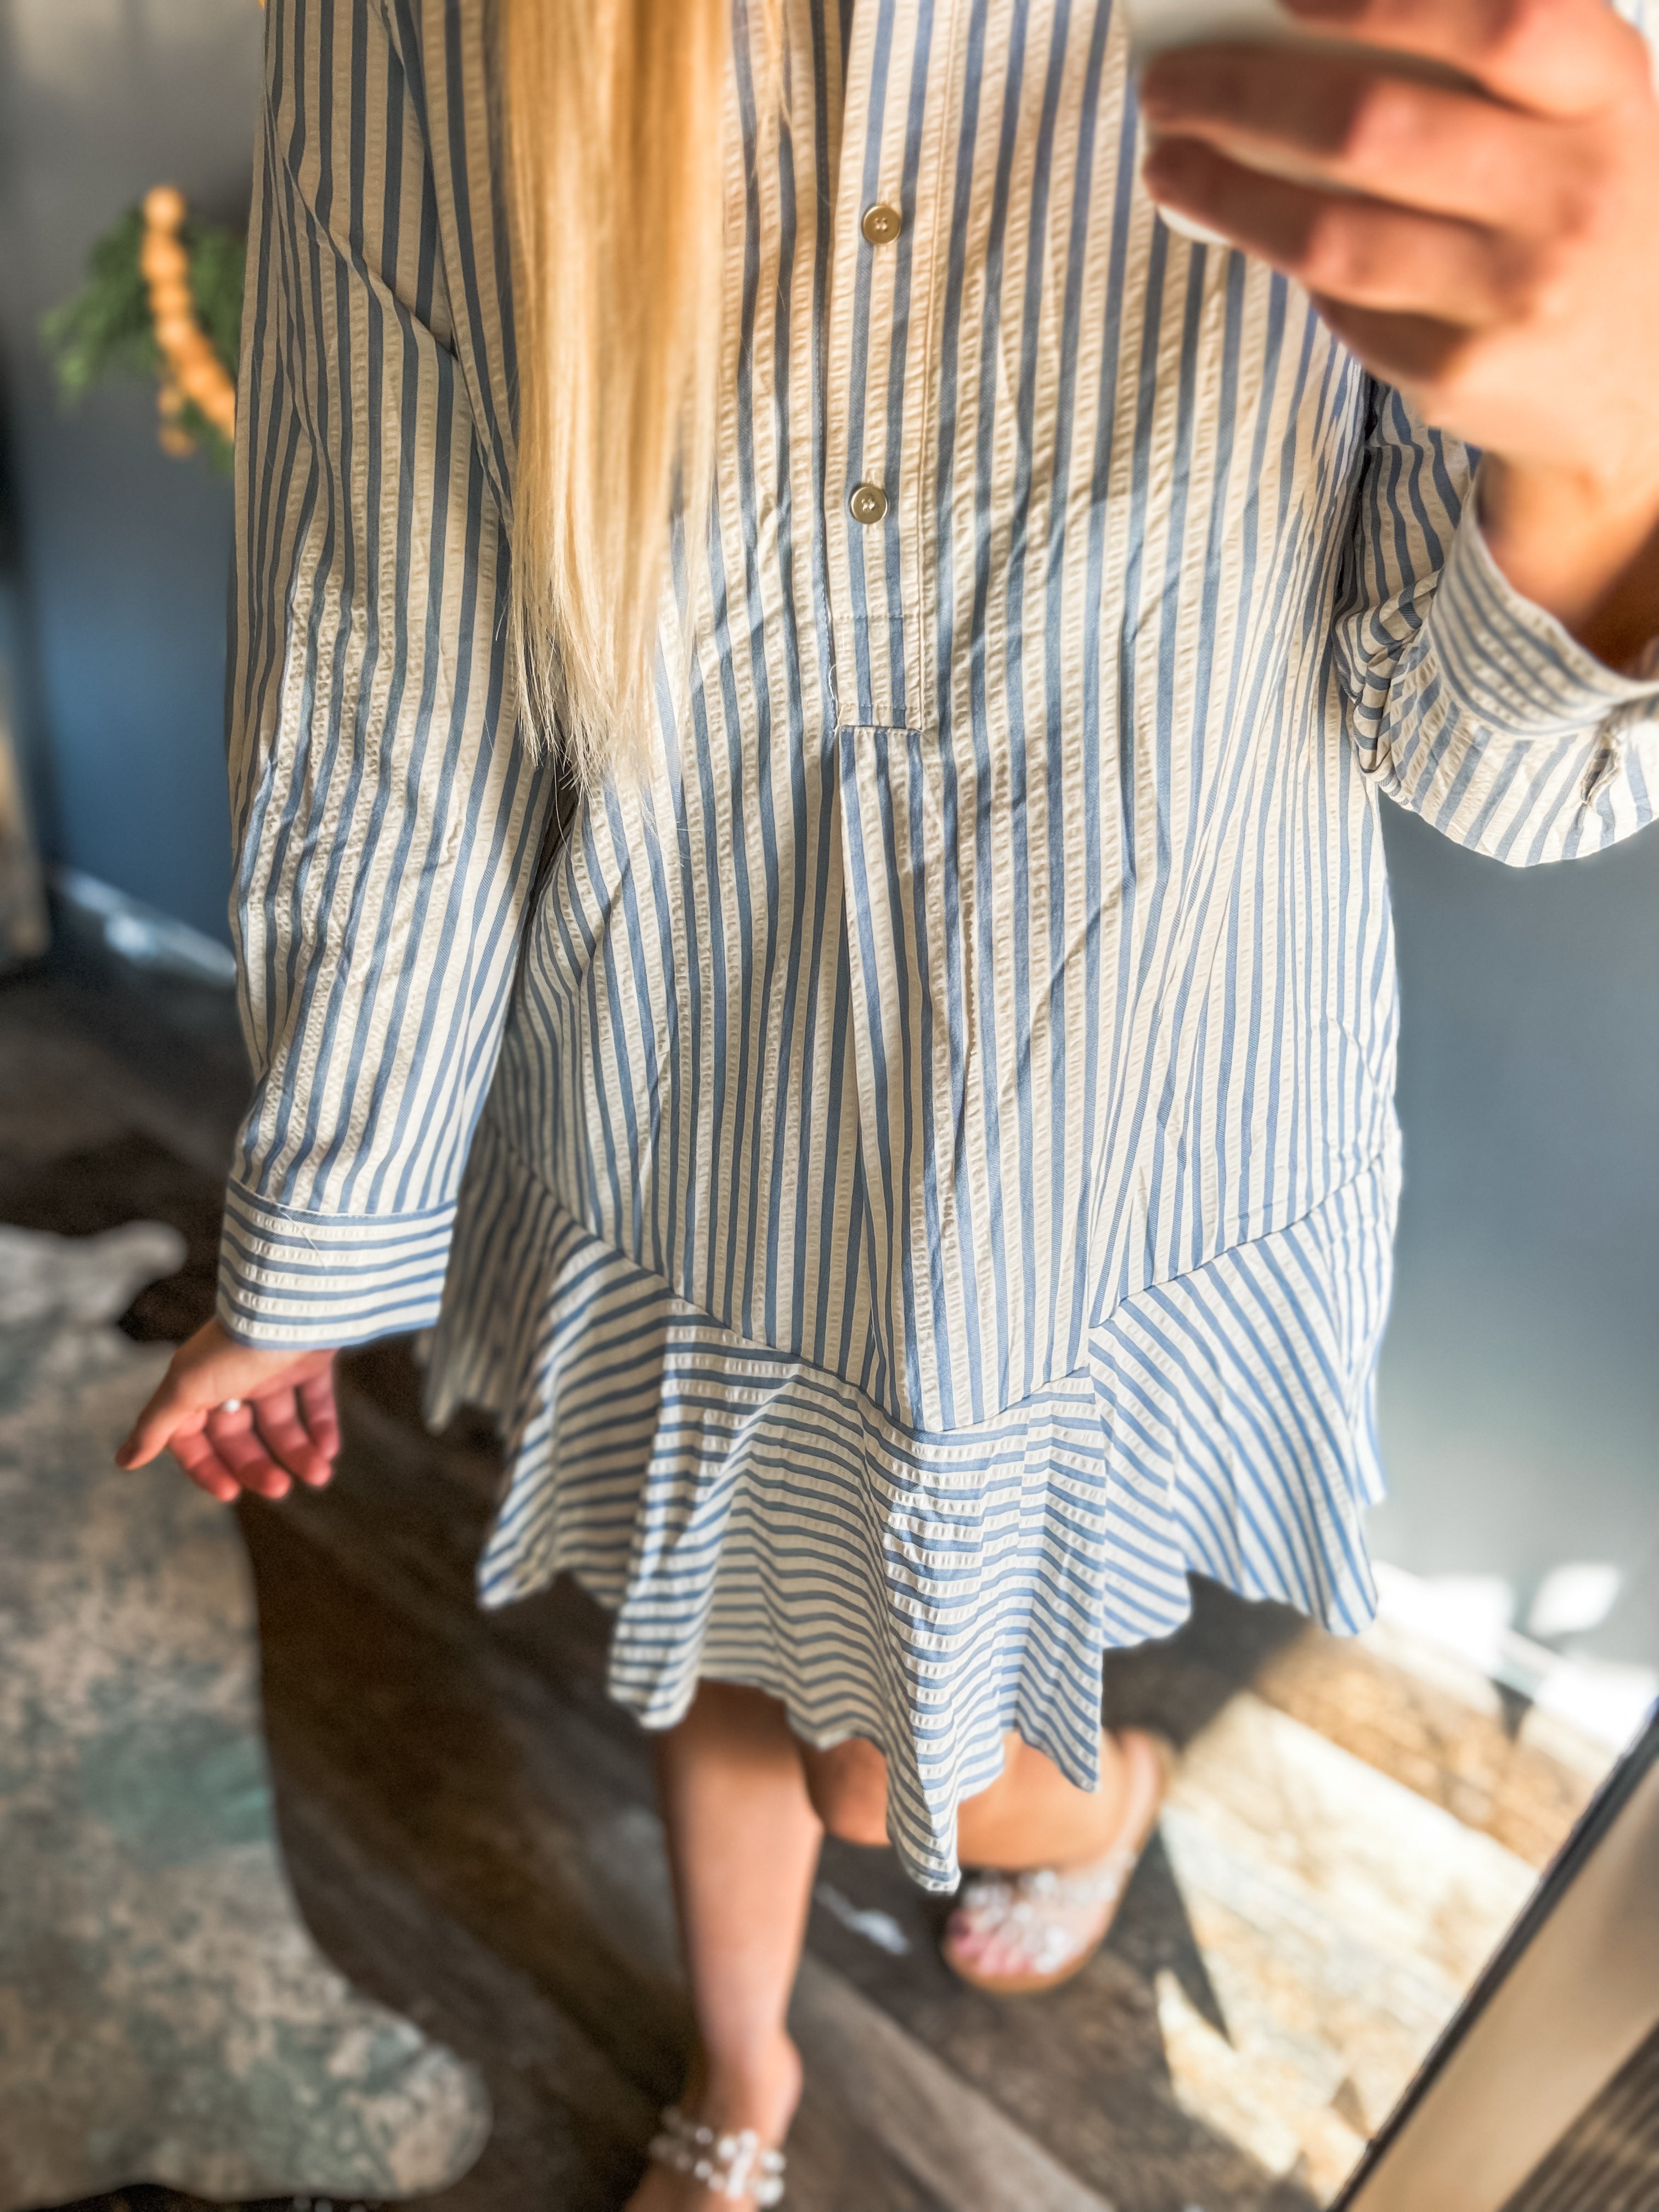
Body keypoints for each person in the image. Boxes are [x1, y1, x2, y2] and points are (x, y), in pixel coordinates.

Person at [122, 0, 1659, 2202]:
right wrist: (316, 1234)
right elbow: (394, 645)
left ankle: (1092, 1787)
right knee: (720, 1639)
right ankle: (739, 2080)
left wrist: (1619, 449)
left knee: (888, 1745)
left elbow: (1484, 752)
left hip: (1115, 1104)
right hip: (696, 1065)